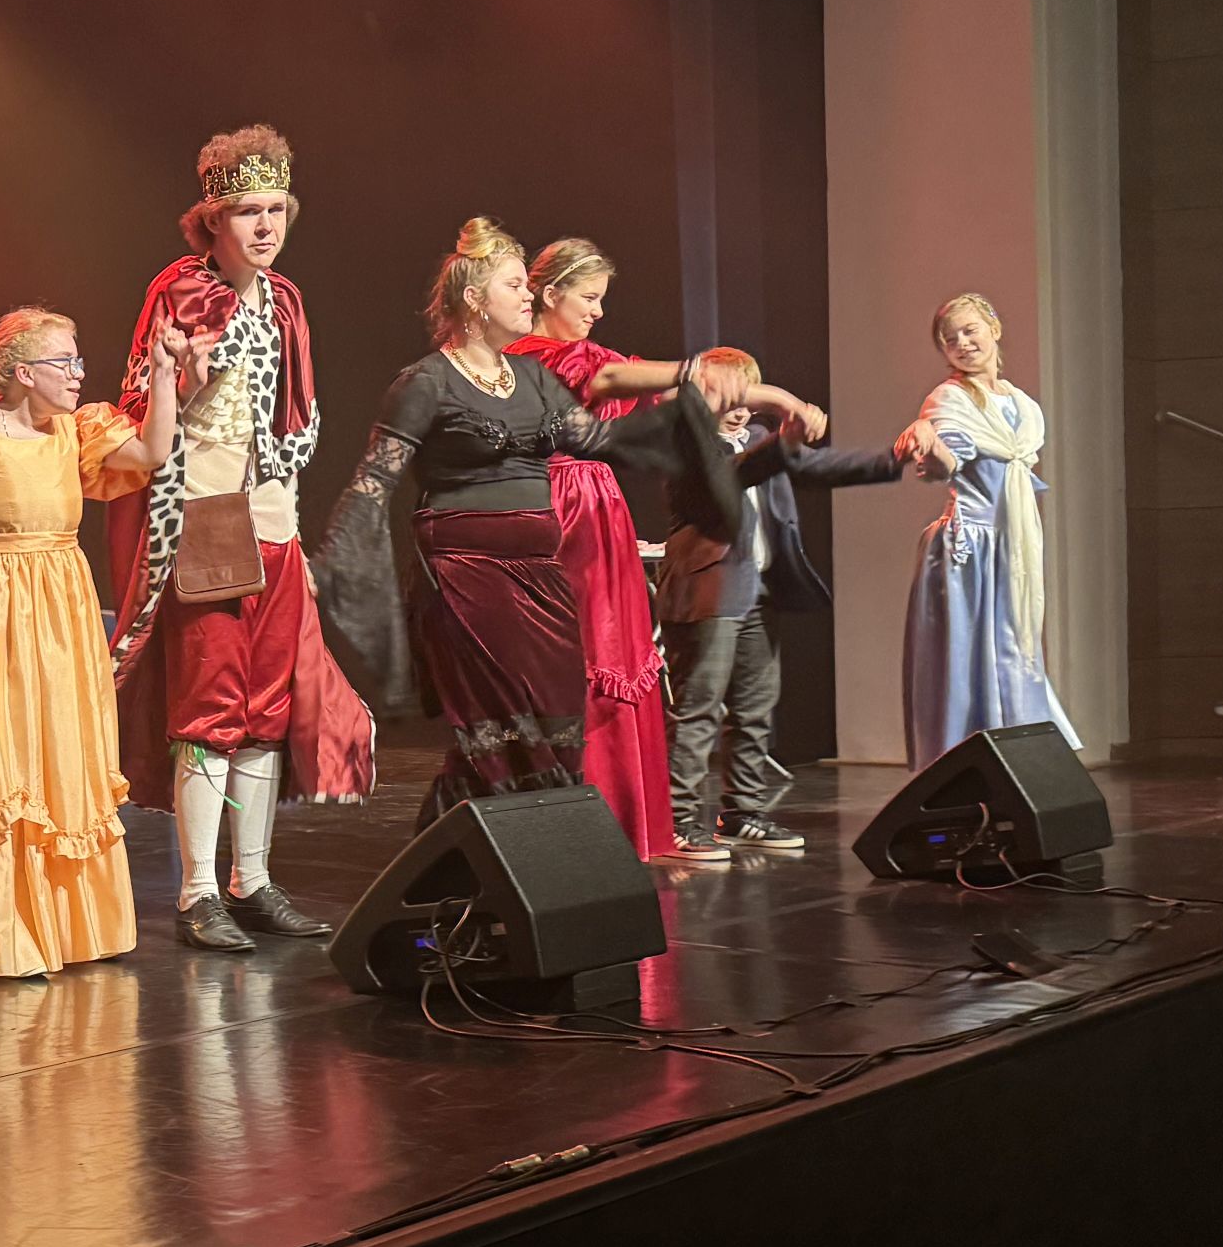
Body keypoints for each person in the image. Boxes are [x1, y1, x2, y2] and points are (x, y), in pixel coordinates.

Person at [314, 219, 743, 823]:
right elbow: (372, 484)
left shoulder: (534, 379)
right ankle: (474, 860)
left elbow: (601, 440)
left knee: (555, 726)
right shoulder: (425, 383)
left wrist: (693, 403)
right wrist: (331, 565)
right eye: (514, 285)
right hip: (468, 579)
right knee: (501, 740)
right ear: (474, 298)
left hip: (542, 580)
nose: (527, 295)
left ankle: (500, 859)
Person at [107, 124, 375, 955]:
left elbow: (293, 415)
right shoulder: (182, 292)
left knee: (267, 708)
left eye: (275, 209)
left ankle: (251, 881)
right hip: (206, 513)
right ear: (212, 220)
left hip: (272, 516)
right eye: (247, 211)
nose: (264, 226)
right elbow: (145, 412)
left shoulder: (285, 298)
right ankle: (197, 892)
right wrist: (185, 374)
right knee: (211, 707)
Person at [0, 308, 184, 978]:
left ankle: (67, 926)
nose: (78, 375)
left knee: (59, 748)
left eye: (78, 362)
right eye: (64, 362)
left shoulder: (73, 433)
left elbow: (150, 455)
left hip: (62, 605)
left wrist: (164, 374)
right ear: (22, 373)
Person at [509, 237, 822, 860]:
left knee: (622, 652)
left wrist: (777, 402)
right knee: (582, 654)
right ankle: (576, 819)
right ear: (550, 293)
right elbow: (616, 377)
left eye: (601, 299)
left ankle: (635, 816)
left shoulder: (592, 356)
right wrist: (695, 371)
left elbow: (682, 396)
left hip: (597, 505)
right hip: (556, 505)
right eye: (588, 297)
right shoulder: (532, 355)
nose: (597, 310)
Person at [655, 348, 923, 863]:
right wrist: (784, 439)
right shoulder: (686, 440)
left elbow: (818, 465)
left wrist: (895, 456)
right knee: (698, 709)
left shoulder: (759, 439)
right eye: (732, 398)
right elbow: (731, 475)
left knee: (755, 708)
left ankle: (743, 813)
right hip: (708, 591)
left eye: (748, 400)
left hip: (758, 590)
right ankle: (679, 822)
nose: (740, 411)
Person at [895, 291, 1077, 766]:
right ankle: (960, 760)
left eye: (969, 330)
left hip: (1010, 547)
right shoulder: (949, 399)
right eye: (949, 338)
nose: (962, 343)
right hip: (968, 549)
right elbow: (945, 466)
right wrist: (928, 441)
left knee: (1015, 649)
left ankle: (1022, 755)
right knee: (966, 659)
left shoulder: (1023, 406)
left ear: (993, 329)